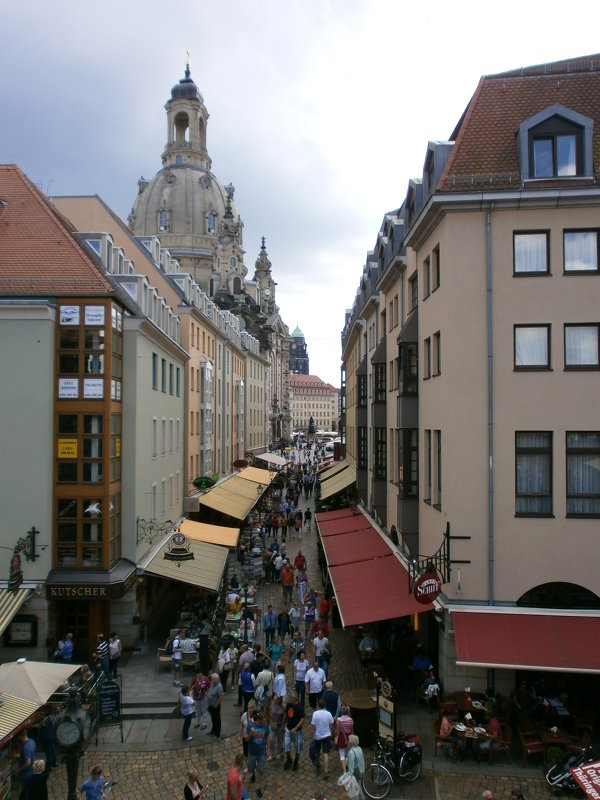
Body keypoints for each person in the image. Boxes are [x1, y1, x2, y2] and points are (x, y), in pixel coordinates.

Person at [245, 708, 270, 798]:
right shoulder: (251, 726)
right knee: (250, 768)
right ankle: (253, 774)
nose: (265, 721)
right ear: (259, 720)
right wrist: (251, 734)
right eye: (264, 720)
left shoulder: (266, 726)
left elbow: (267, 737)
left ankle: (258, 787)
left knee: (261, 770)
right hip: (252, 753)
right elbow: (246, 740)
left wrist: (268, 749)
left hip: (261, 753)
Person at [311, 698, 334, 778]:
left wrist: (312, 737)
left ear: (318, 705)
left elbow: (313, 727)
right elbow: (331, 725)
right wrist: (331, 734)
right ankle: (326, 770)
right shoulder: (329, 714)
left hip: (318, 736)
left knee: (318, 751)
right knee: (326, 753)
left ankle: (317, 762)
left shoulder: (315, 714)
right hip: (327, 735)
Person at [283, 692, 304, 772]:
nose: (289, 699)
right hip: (288, 729)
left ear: (295, 699)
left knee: (298, 747)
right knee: (286, 745)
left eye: (290, 698)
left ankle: (296, 761)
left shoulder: (300, 707)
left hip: (297, 732)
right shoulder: (289, 705)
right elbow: (285, 714)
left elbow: (302, 720)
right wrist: (283, 725)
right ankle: (289, 759)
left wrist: (295, 729)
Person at [16, 730, 36, 800]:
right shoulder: (32, 741)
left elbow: (28, 763)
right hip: (31, 771)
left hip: (25, 774)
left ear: (21, 736)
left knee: (24, 793)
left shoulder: (25, 748)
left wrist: (18, 770)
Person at [335, 705, 354, 772]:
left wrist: (337, 737)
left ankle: (344, 770)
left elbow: (338, 730)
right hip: (348, 737)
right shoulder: (350, 720)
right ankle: (347, 764)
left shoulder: (338, 720)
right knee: (348, 752)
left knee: (342, 753)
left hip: (341, 737)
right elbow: (351, 730)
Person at [206, 672, 224, 737]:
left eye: (214, 679)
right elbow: (210, 690)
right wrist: (207, 693)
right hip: (210, 705)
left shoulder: (219, 686)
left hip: (215, 706)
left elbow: (221, 697)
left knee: (217, 720)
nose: (212, 680)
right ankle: (213, 730)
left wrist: (216, 705)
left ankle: (217, 734)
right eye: (212, 679)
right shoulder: (212, 683)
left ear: (217, 679)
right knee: (213, 719)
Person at [269, 695, 284, 760]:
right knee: (271, 740)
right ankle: (272, 754)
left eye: (275, 699)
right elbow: (269, 714)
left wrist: (283, 726)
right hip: (272, 725)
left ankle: (279, 752)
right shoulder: (271, 705)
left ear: (278, 700)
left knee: (280, 740)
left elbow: (284, 717)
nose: (274, 701)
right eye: (274, 699)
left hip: (279, 726)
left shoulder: (283, 707)